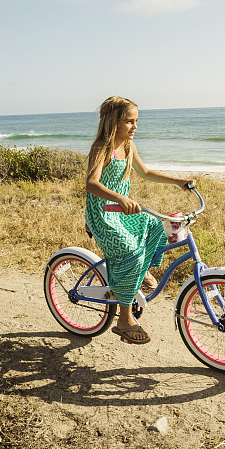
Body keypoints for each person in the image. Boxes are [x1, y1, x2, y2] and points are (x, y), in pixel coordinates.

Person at [85, 96, 194, 344]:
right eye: (129, 121)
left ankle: (136, 274)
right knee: (131, 253)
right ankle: (124, 320)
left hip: (122, 211)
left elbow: (145, 173)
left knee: (156, 226)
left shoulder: (128, 146)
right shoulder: (102, 147)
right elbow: (91, 184)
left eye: (136, 121)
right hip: (104, 214)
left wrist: (178, 182)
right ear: (113, 122)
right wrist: (121, 199)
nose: (135, 127)